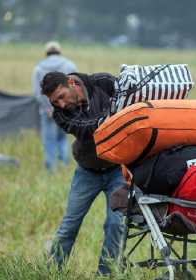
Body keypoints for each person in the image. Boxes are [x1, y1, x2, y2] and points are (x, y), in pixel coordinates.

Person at [41, 71, 126, 275]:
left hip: (118, 170)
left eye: (61, 96)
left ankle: (106, 274)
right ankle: (52, 272)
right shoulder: (60, 114)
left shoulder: (102, 83)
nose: (60, 104)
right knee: (70, 224)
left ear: (71, 82)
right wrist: (113, 119)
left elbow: (129, 96)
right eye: (55, 101)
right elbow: (84, 129)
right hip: (87, 172)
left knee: (116, 225)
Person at [32, 41, 77, 172]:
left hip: (47, 112)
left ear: (46, 53)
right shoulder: (69, 65)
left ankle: (51, 169)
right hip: (65, 110)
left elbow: (37, 92)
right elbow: (75, 87)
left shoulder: (38, 68)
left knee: (49, 140)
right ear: (59, 51)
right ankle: (65, 165)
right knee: (63, 137)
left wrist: (48, 108)